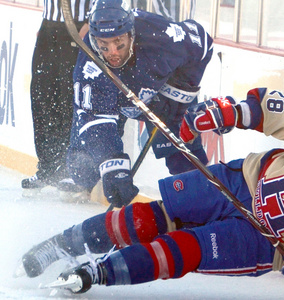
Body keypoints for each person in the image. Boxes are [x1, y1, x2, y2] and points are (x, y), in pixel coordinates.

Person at [19, 87, 284, 297]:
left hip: (266, 240)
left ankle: (94, 274)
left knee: (184, 250)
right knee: (152, 215)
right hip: (242, 179)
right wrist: (226, 111)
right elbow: (266, 107)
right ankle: (61, 245)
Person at [64, 0, 212, 208]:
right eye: (103, 46)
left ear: (131, 33)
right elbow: (94, 119)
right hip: (114, 98)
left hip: (162, 94)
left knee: (184, 154)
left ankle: (205, 202)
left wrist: (177, 91)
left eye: (119, 43)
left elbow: (203, 44)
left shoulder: (161, 35)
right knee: (84, 159)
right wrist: (113, 163)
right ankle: (83, 184)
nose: (112, 53)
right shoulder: (89, 64)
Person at [21, 0, 93, 198]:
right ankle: (47, 168)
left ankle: (74, 172)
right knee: (42, 97)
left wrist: (91, 21)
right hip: (49, 26)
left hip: (79, 26)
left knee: (69, 99)